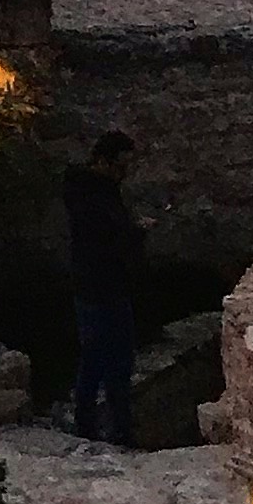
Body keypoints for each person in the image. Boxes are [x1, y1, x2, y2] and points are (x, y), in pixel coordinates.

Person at [62, 128, 143, 446]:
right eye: (120, 167)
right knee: (99, 358)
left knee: (116, 360)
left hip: (112, 285)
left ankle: (116, 427)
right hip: (96, 287)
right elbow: (101, 238)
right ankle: (93, 425)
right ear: (102, 162)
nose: (124, 175)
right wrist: (133, 234)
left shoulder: (102, 190)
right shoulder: (87, 195)